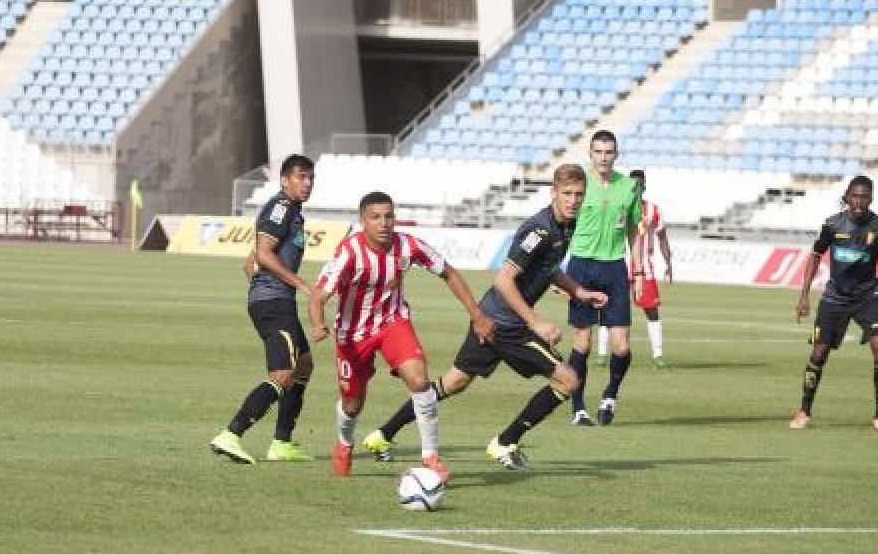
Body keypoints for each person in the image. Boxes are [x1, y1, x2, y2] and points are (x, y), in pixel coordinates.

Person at [359, 165, 608, 470]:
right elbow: (505, 279)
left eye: (578, 195)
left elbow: (549, 268)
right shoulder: (539, 230)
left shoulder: (565, 226)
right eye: (567, 194)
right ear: (553, 192)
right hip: (507, 324)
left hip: (489, 318)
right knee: (568, 380)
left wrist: (578, 291)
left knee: (453, 382)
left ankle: (383, 435)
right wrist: (535, 322)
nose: (573, 200)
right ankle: (505, 442)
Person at [308, 191, 489, 481]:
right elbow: (318, 296)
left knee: (420, 381)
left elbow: (449, 273)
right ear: (362, 221)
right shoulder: (348, 253)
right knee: (352, 404)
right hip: (352, 334)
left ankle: (431, 457)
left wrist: (476, 315)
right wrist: (318, 325)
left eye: (388, 216)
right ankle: (344, 443)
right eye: (375, 217)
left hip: (393, 323)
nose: (384, 223)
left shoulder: (408, 246)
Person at [210, 154, 317, 464]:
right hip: (274, 303)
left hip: (274, 300)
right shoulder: (281, 208)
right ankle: (231, 434)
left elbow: (250, 262)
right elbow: (263, 253)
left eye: (311, 177)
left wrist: (263, 289)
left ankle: (281, 444)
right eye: (301, 177)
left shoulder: (292, 212)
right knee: (283, 374)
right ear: (285, 180)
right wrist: (296, 284)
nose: (307, 183)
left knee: (304, 365)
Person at [789, 175, 878, 433]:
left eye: (864, 197)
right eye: (855, 196)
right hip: (834, 297)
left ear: (871, 199)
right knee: (819, 352)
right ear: (847, 197)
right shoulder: (831, 224)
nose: (859, 201)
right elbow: (815, 255)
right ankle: (804, 411)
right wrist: (804, 295)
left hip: (868, 296)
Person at [566, 130, 644, 427]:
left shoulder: (629, 188)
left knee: (621, 346)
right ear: (590, 154)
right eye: (598, 152)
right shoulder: (579, 185)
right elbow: (564, 226)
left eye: (608, 152)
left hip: (614, 268)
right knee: (582, 342)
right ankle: (578, 408)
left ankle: (610, 395)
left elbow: (634, 231)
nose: (603, 157)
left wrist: (637, 271)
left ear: (616, 154)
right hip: (582, 267)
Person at [594, 169, 673, 370]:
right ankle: (602, 354)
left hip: (643, 268)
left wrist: (668, 263)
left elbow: (662, 238)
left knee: (651, 310)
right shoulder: (616, 205)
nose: (637, 188)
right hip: (615, 264)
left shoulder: (653, 210)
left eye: (640, 184)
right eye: (633, 185)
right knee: (606, 308)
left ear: (645, 186)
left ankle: (658, 355)